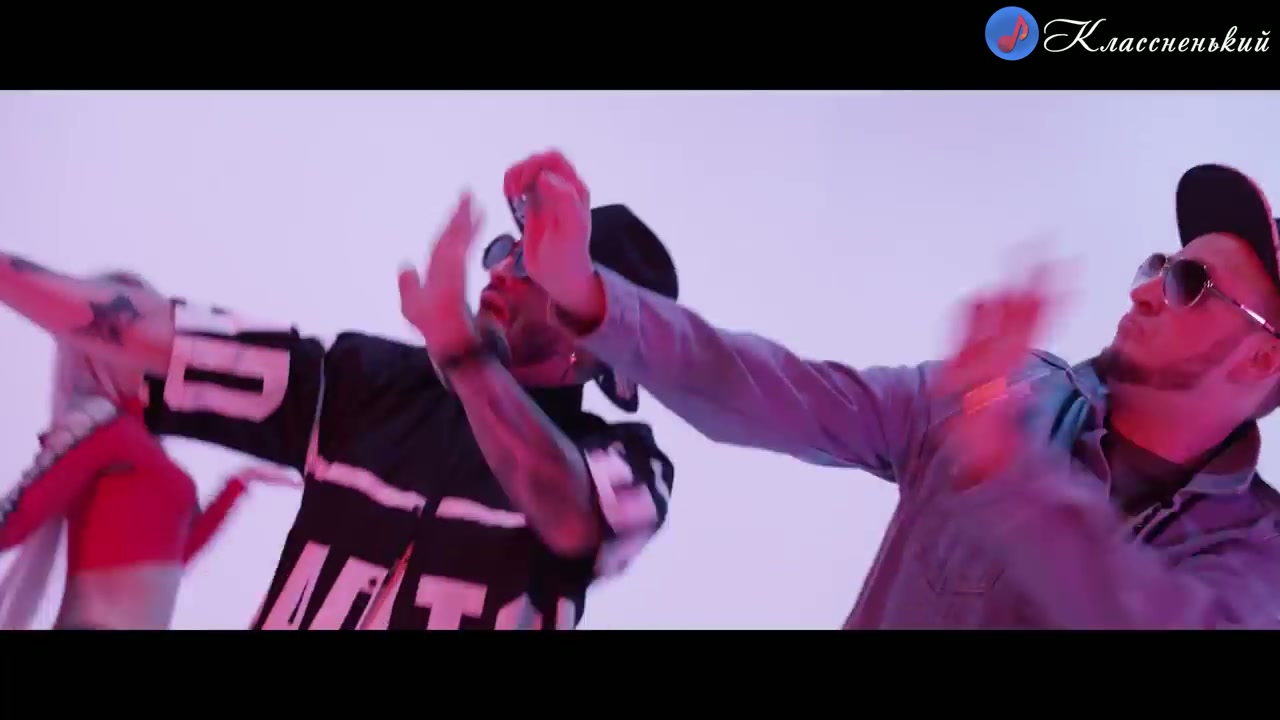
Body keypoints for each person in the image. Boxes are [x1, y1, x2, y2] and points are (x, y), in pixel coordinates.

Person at [508, 149, 1280, 629]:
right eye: (1158, 265)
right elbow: (776, 390)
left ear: (1261, 360)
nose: (1145, 289)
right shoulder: (1011, 393)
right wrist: (586, 295)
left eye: (1189, 282)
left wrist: (1007, 476)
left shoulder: (1258, 562)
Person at [0, 191, 677, 630]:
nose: (499, 269)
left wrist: (468, 362)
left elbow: (572, 514)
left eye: (534, 264)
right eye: (509, 248)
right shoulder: (366, 383)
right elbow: (152, 342)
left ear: (603, 340)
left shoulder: (629, 466)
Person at [0, 281, 301, 629]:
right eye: (135, 334)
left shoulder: (144, 442)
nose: (159, 348)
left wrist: (236, 486)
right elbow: (16, 518)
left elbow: (174, 559)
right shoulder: (97, 426)